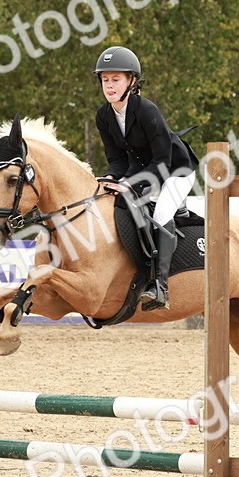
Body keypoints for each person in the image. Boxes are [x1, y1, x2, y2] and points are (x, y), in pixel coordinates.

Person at [93, 46, 199, 311]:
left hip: (176, 170)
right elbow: (117, 160)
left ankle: (160, 286)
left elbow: (162, 162)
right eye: (105, 80)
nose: (109, 85)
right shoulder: (104, 116)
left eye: (116, 79)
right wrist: (108, 178)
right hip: (141, 170)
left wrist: (129, 183)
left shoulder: (147, 111)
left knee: (162, 214)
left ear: (132, 80)